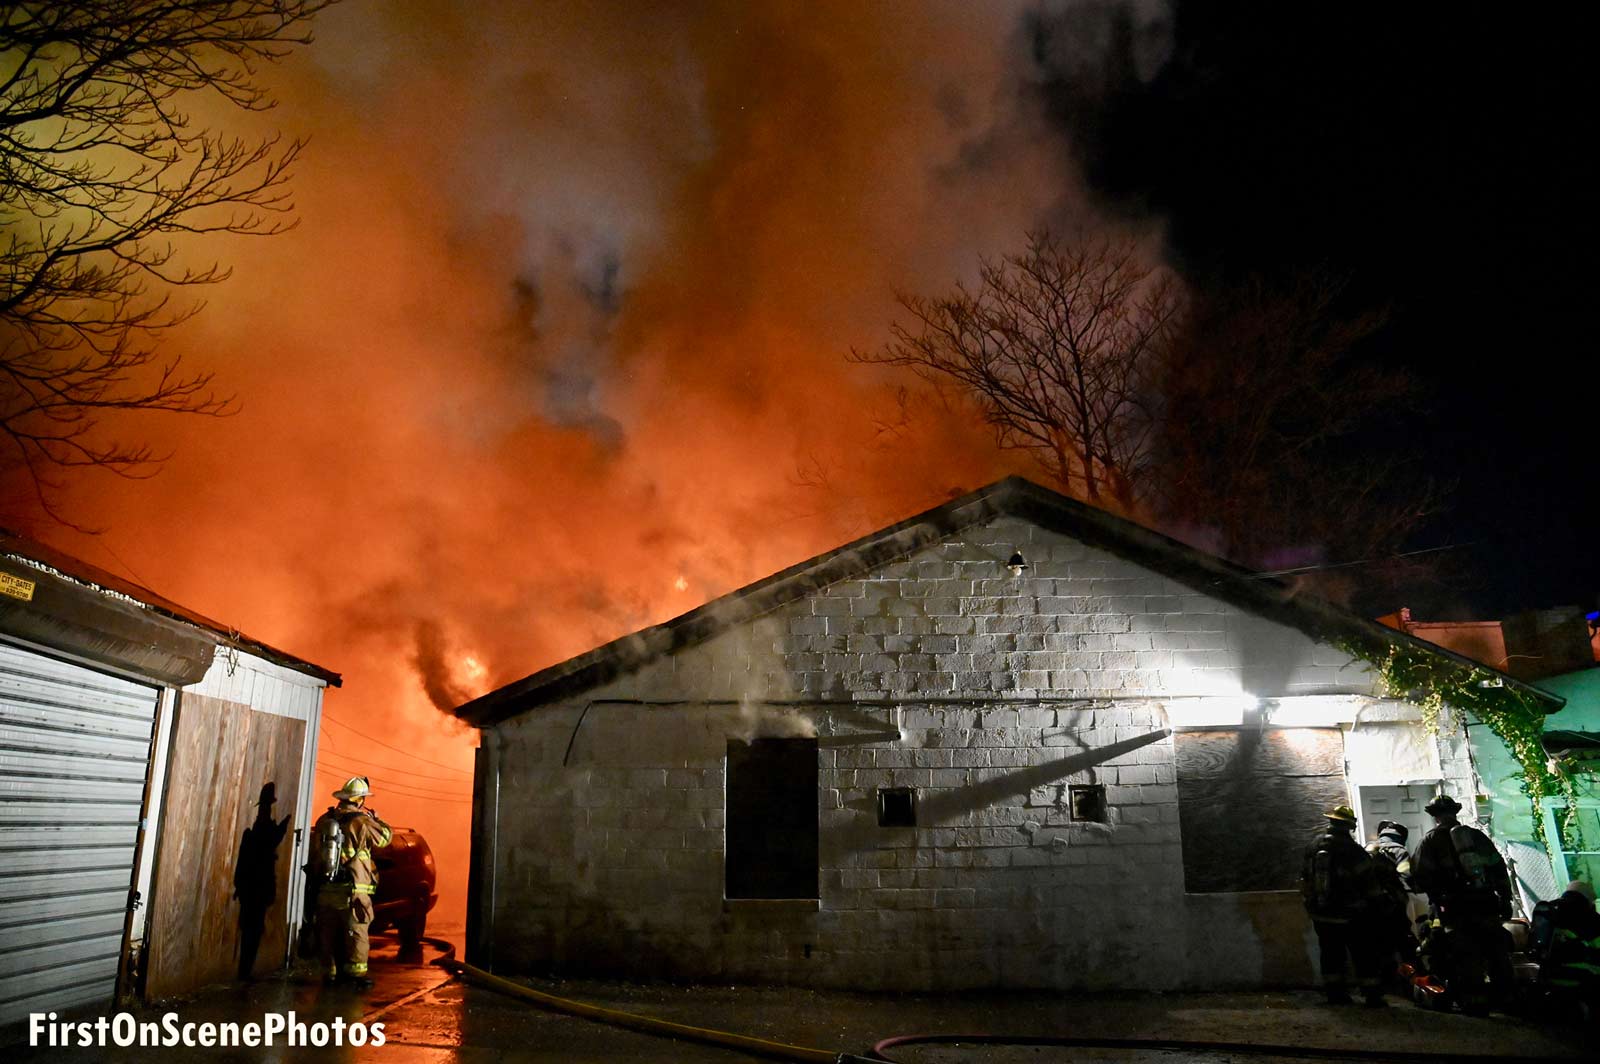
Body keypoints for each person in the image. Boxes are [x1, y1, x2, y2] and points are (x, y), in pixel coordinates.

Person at [1409, 793, 1514, 1015]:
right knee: (1496, 952)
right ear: (1455, 812)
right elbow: (1498, 868)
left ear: (1435, 816)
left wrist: (1438, 896)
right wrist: (1505, 899)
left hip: (1455, 909)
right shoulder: (1476, 837)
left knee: (1467, 955)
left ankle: (1475, 1004)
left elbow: (1419, 878)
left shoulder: (1430, 841)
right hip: (1486, 904)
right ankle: (1507, 1001)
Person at [1301, 804, 1387, 1006]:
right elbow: (1368, 882)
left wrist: (1312, 904)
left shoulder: (1313, 846)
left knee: (1330, 953)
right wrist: (1378, 905)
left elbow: (1305, 877)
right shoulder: (1352, 850)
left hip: (1322, 913)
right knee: (1363, 953)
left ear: (1331, 822)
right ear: (1349, 826)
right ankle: (1372, 995)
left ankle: (1335, 994)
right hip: (1352, 913)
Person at [312, 776, 392, 989]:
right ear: (360, 800)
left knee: (328, 933)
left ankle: (329, 974)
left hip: (326, 889)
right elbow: (385, 838)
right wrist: (377, 820)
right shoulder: (362, 822)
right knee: (357, 932)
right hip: (353, 890)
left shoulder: (324, 820)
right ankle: (355, 976)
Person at [1541, 880, 1600, 1022]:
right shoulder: (1588, 916)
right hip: (1580, 975)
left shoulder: (1549, 909)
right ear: (1587, 898)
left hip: (1546, 972)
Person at [1365, 820, 1416, 967]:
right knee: (1404, 942)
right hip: (1393, 904)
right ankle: (1410, 975)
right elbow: (1407, 875)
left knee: (1379, 944)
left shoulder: (1366, 849)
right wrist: (1417, 887)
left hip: (1369, 905)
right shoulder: (1400, 851)